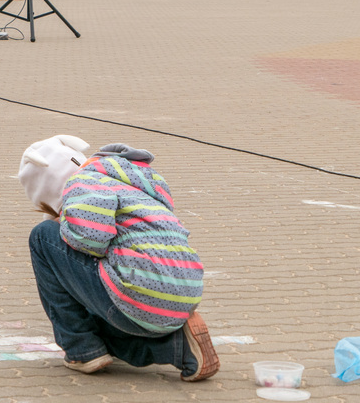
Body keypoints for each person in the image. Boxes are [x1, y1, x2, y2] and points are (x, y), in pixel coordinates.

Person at [18, 136, 219, 381]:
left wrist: (63, 226)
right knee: (99, 330)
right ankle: (180, 348)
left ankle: (81, 349)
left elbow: (91, 239)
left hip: (142, 293)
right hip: (182, 294)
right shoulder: (133, 182)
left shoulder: (81, 182)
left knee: (42, 237)